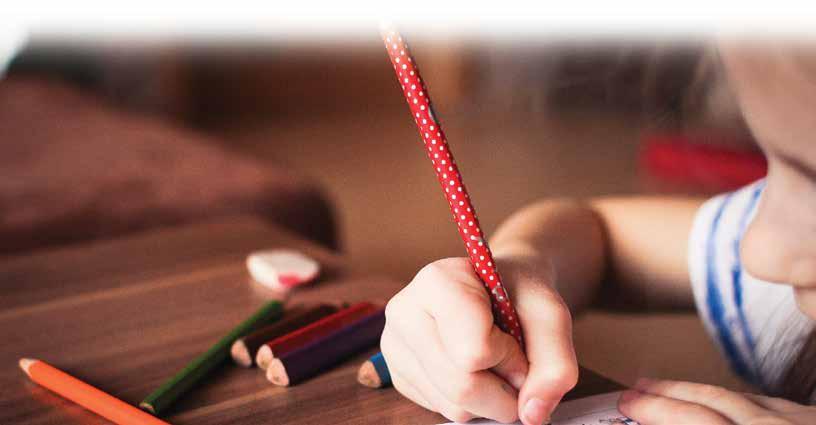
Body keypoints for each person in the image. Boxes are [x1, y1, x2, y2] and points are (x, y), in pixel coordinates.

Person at [380, 42, 816, 425]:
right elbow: (600, 234)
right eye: (771, 169)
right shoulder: (780, 266)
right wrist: (523, 269)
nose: (756, 251)